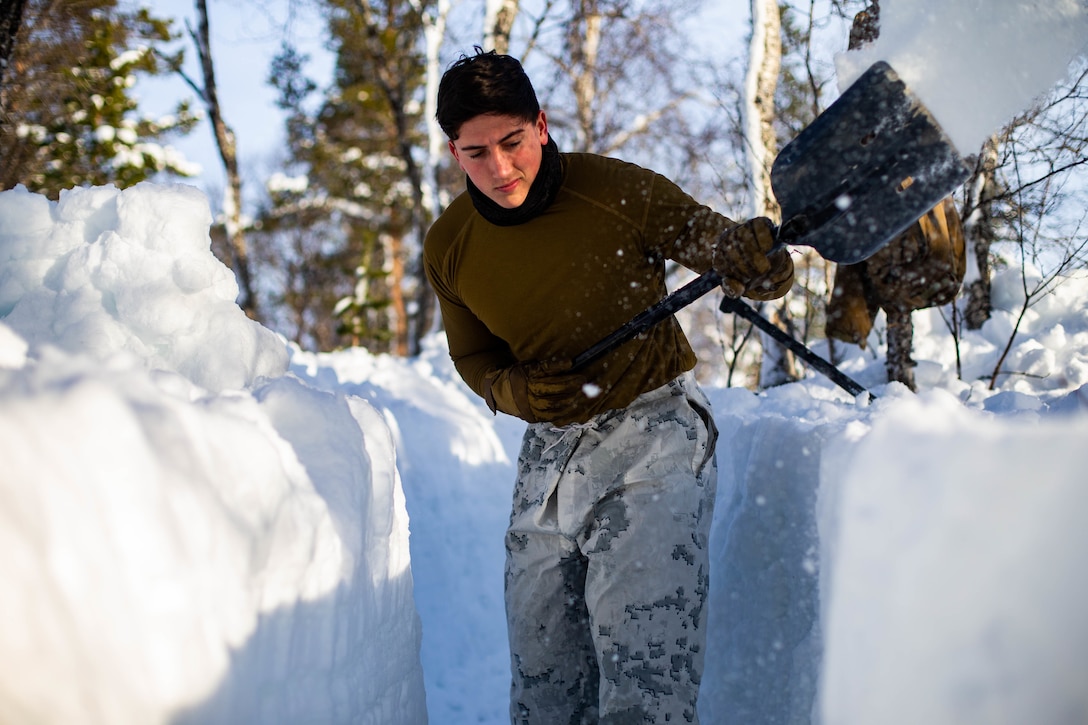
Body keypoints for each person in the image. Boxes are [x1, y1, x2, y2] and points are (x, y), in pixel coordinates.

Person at [424, 48, 794, 724]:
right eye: (477, 153)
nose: (500, 168)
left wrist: (753, 260)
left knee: (645, 689)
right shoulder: (450, 244)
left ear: (540, 124)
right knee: (545, 693)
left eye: (512, 142)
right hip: (548, 462)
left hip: (654, 441)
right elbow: (475, 358)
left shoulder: (614, 190)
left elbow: (713, 242)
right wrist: (525, 396)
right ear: (454, 152)